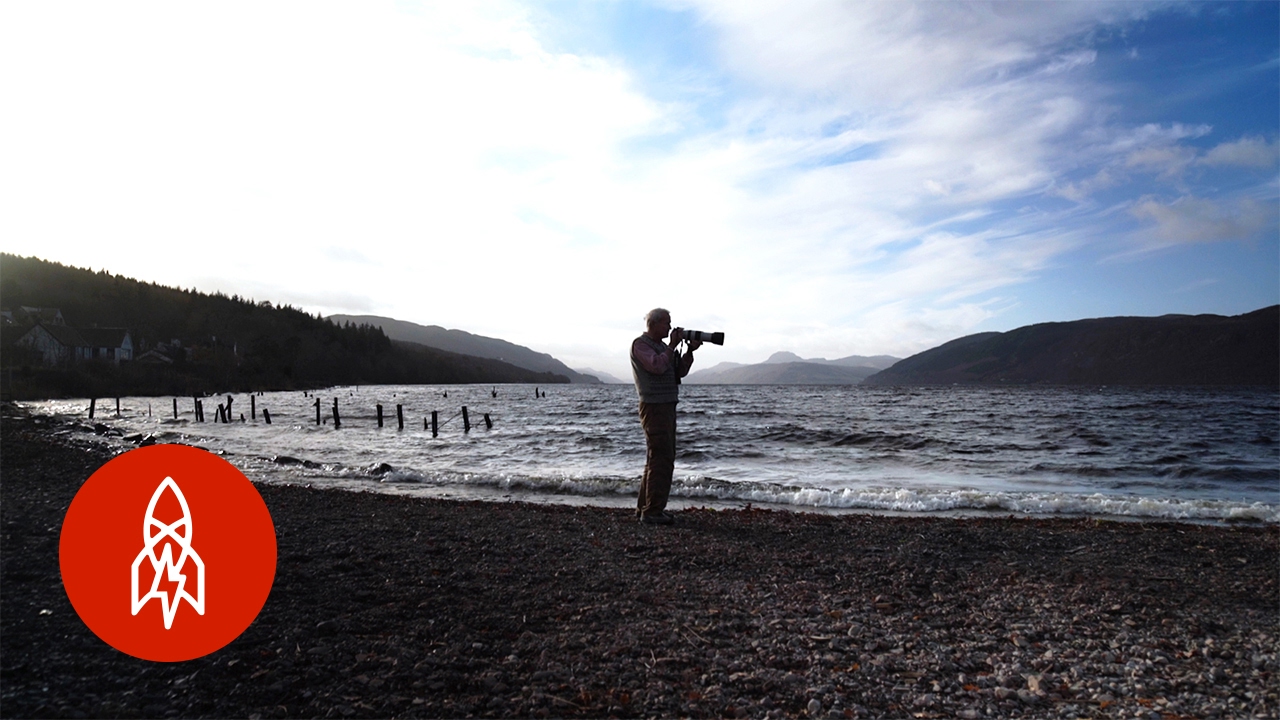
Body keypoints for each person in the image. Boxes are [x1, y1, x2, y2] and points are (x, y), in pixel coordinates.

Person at [630, 308, 702, 525]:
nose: (670, 328)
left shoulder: (662, 347)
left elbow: (678, 371)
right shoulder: (640, 345)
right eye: (667, 323)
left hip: (666, 405)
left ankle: (645, 508)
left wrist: (689, 351)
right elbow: (657, 366)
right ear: (654, 323)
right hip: (653, 406)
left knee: (656, 457)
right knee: (661, 458)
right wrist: (672, 345)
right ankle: (652, 512)